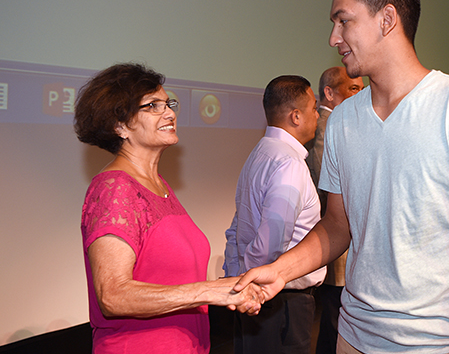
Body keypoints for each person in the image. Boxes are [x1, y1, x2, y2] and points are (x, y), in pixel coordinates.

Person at [234, 0, 449, 354]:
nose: (332, 37)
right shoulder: (341, 121)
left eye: (343, 21)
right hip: (355, 338)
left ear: (387, 19)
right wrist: (279, 271)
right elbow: (338, 225)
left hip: (443, 344)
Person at [74, 63, 261, 354]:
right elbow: (113, 295)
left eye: (168, 103)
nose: (170, 113)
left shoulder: (157, 184)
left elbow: (170, 279)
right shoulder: (115, 189)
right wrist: (209, 291)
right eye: (152, 106)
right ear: (119, 125)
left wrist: (230, 289)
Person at [223, 75, 327, 354]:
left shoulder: (260, 152)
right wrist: (252, 284)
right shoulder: (289, 164)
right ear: (296, 116)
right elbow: (270, 245)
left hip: (255, 295)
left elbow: (236, 227)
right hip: (280, 302)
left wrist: (236, 278)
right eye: (314, 108)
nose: (317, 115)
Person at [304, 66, 363, 354]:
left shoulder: (343, 125)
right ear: (329, 92)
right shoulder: (327, 130)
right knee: (333, 325)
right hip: (335, 245)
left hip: (344, 245)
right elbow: (327, 190)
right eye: (353, 88)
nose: (360, 94)